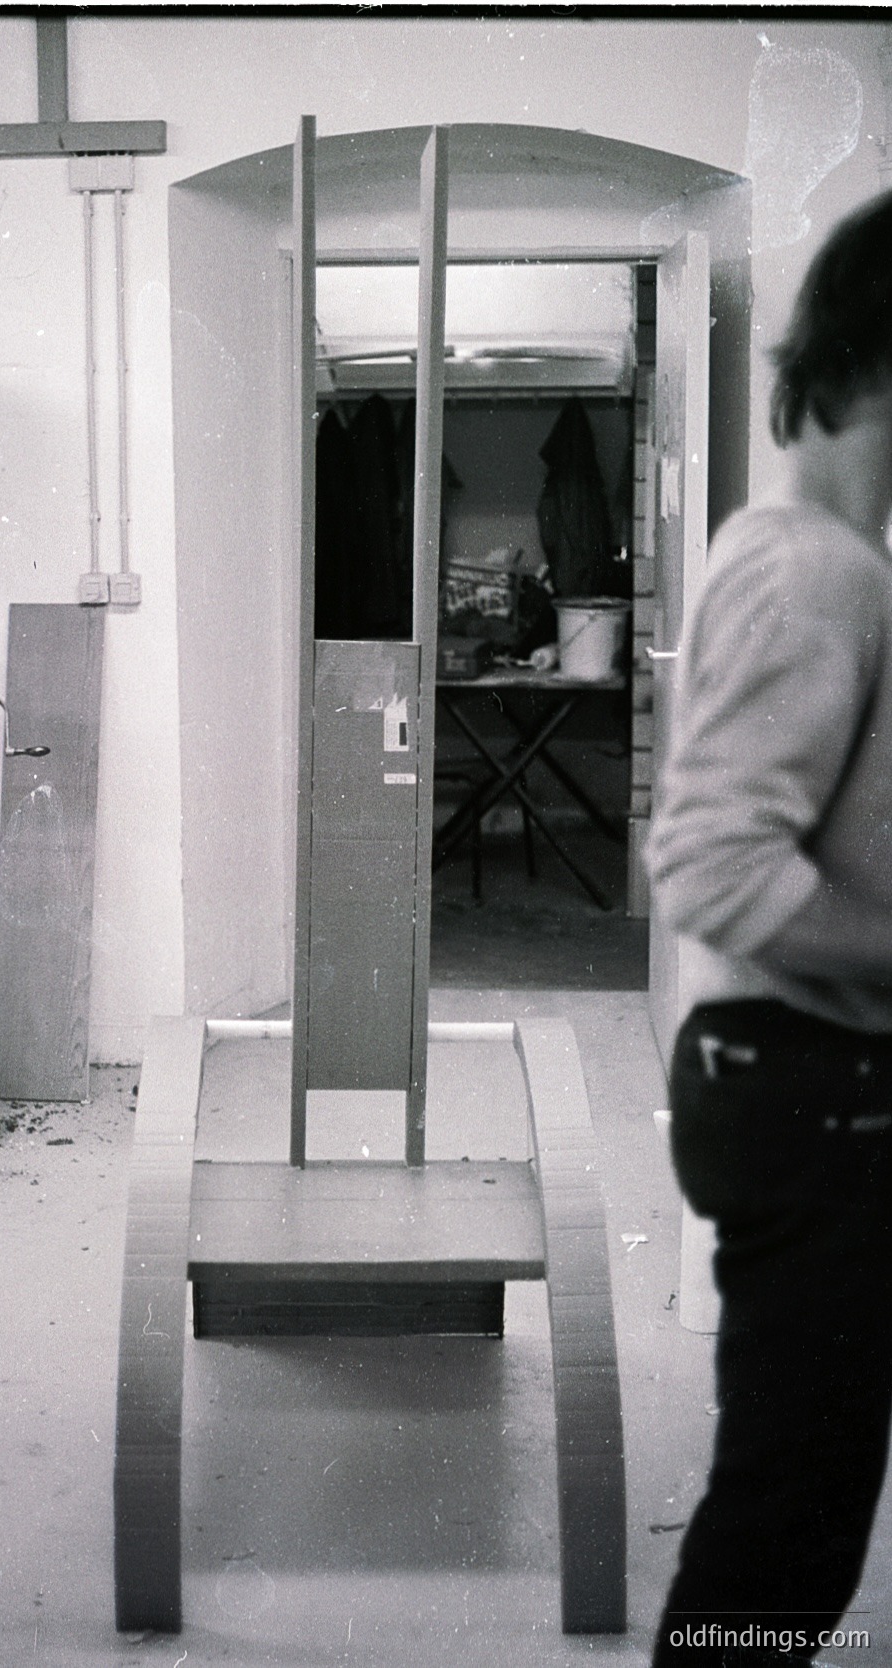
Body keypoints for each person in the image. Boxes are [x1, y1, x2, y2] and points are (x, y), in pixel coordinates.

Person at [648, 189, 892, 1668]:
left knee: (795, 1506)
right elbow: (713, 868)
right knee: (787, 1527)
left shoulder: (812, 555)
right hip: (806, 1090)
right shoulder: (812, 567)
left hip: (799, 1081)